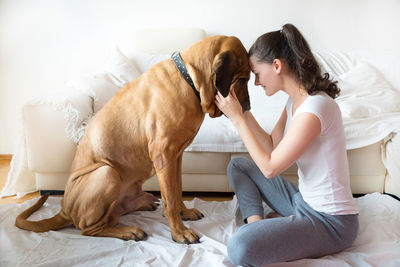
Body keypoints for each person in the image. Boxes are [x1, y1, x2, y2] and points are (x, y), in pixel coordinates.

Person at [215, 24, 359, 266]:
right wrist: (244, 111)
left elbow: (271, 168)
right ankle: (259, 225)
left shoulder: (316, 108)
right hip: (303, 202)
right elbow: (272, 145)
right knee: (238, 166)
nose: (257, 82)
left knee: (239, 247)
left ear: (277, 66)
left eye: (257, 74)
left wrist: (238, 119)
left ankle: (265, 229)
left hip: (331, 223)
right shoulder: (295, 102)